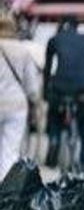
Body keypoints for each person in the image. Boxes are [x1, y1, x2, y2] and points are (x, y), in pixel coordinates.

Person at [43, 16, 84, 178]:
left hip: (59, 88)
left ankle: (54, 142)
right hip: (83, 89)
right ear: (78, 26)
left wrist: (45, 94)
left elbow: (47, 70)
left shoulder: (54, 40)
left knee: (54, 115)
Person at [0, 15, 41, 179]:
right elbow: (31, 84)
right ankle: (4, 192)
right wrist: (35, 100)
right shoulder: (22, 50)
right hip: (17, 106)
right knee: (10, 150)